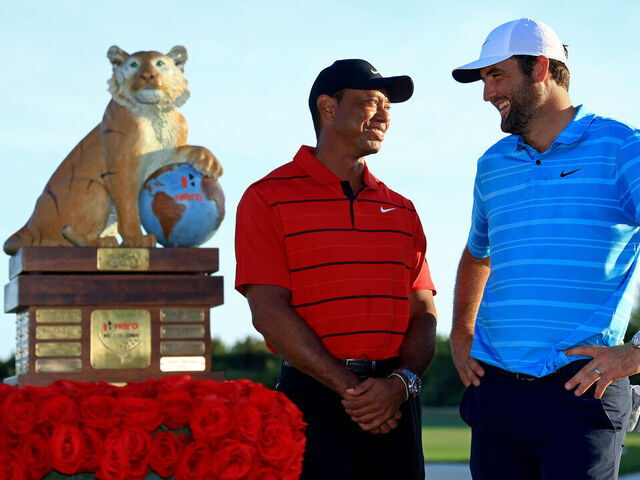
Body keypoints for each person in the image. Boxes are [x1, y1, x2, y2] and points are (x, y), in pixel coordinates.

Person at [450, 17, 640, 480]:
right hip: (495, 394)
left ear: (540, 69)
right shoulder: (491, 164)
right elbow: (478, 253)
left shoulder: (623, 148)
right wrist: (461, 333)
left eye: (496, 75)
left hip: (581, 394)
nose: (486, 92)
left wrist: (635, 354)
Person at [235, 59, 437, 479]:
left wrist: (398, 386)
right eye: (369, 102)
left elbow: (423, 313)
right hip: (315, 399)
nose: (383, 114)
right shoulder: (266, 198)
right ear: (327, 107)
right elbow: (268, 312)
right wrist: (357, 392)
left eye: (387, 106)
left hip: (395, 404)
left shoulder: (402, 209)